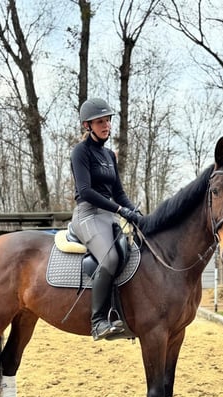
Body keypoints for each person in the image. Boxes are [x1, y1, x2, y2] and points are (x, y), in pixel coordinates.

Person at [70, 97, 142, 341]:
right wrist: (122, 210)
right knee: (110, 258)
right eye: (100, 122)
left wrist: (137, 214)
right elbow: (86, 190)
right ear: (87, 126)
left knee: (133, 255)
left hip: (109, 215)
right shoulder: (80, 152)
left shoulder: (110, 155)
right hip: (87, 214)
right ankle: (98, 321)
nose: (106, 126)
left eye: (108, 121)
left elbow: (119, 192)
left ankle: (125, 316)